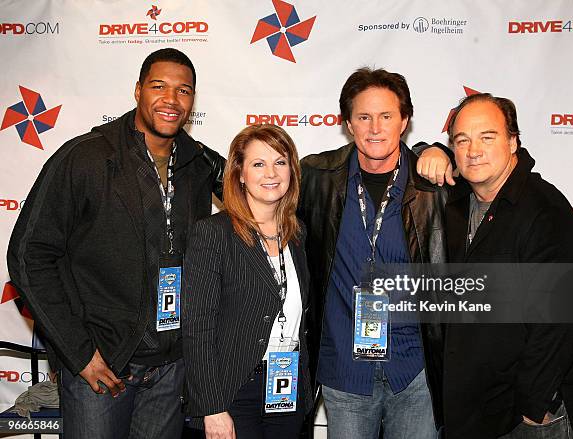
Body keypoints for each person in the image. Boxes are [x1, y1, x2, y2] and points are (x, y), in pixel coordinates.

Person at [7, 48, 225, 439]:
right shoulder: (85, 157)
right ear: (138, 90)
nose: (171, 100)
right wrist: (79, 354)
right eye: (159, 86)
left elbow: (259, 186)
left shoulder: (199, 164)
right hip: (102, 368)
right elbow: (28, 256)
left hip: (169, 370)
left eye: (184, 90)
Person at [440, 93, 573, 438]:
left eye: (488, 137)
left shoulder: (545, 211)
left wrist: (535, 409)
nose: (473, 150)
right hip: (484, 409)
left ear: (513, 142)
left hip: (540, 416)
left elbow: (557, 322)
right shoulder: (458, 205)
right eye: (462, 140)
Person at [297, 67, 447, 438]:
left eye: (386, 116)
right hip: (344, 373)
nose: (375, 128)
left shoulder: (433, 187)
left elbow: (493, 169)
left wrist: (441, 150)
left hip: (415, 374)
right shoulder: (316, 176)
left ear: (405, 121)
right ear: (348, 123)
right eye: (364, 117)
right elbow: (255, 187)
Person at [183, 124, 313, 439]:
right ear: (239, 173)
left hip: (288, 387)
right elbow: (197, 328)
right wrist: (212, 407)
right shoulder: (215, 233)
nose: (271, 172)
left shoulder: (297, 234)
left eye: (280, 162)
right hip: (235, 390)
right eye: (258, 163)